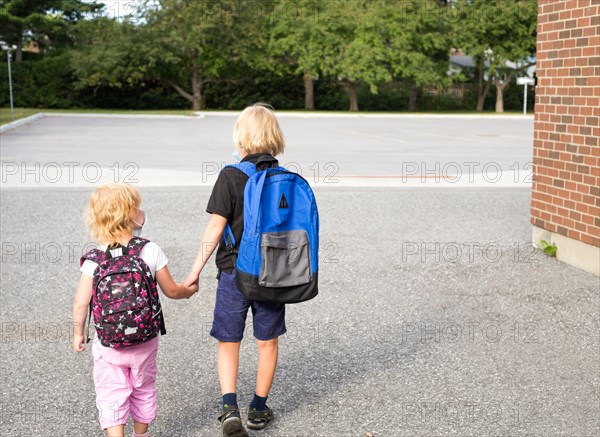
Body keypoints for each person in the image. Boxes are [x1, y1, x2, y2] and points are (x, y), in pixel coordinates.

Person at [185, 103, 286, 436]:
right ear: (274, 138)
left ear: (241, 138)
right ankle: (258, 408)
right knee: (267, 341)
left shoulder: (230, 175)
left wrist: (195, 270)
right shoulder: (282, 178)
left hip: (233, 273)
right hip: (273, 274)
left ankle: (230, 407)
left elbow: (215, 230)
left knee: (229, 341)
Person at [72, 182, 197, 437]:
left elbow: (81, 303)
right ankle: (141, 434)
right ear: (130, 213)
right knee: (143, 387)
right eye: (137, 206)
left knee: (111, 391)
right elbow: (172, 291)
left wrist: (77, 333)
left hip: (109, 344)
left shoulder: (94, 258)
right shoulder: (149, 250)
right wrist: (189, 290)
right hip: (144, 339)